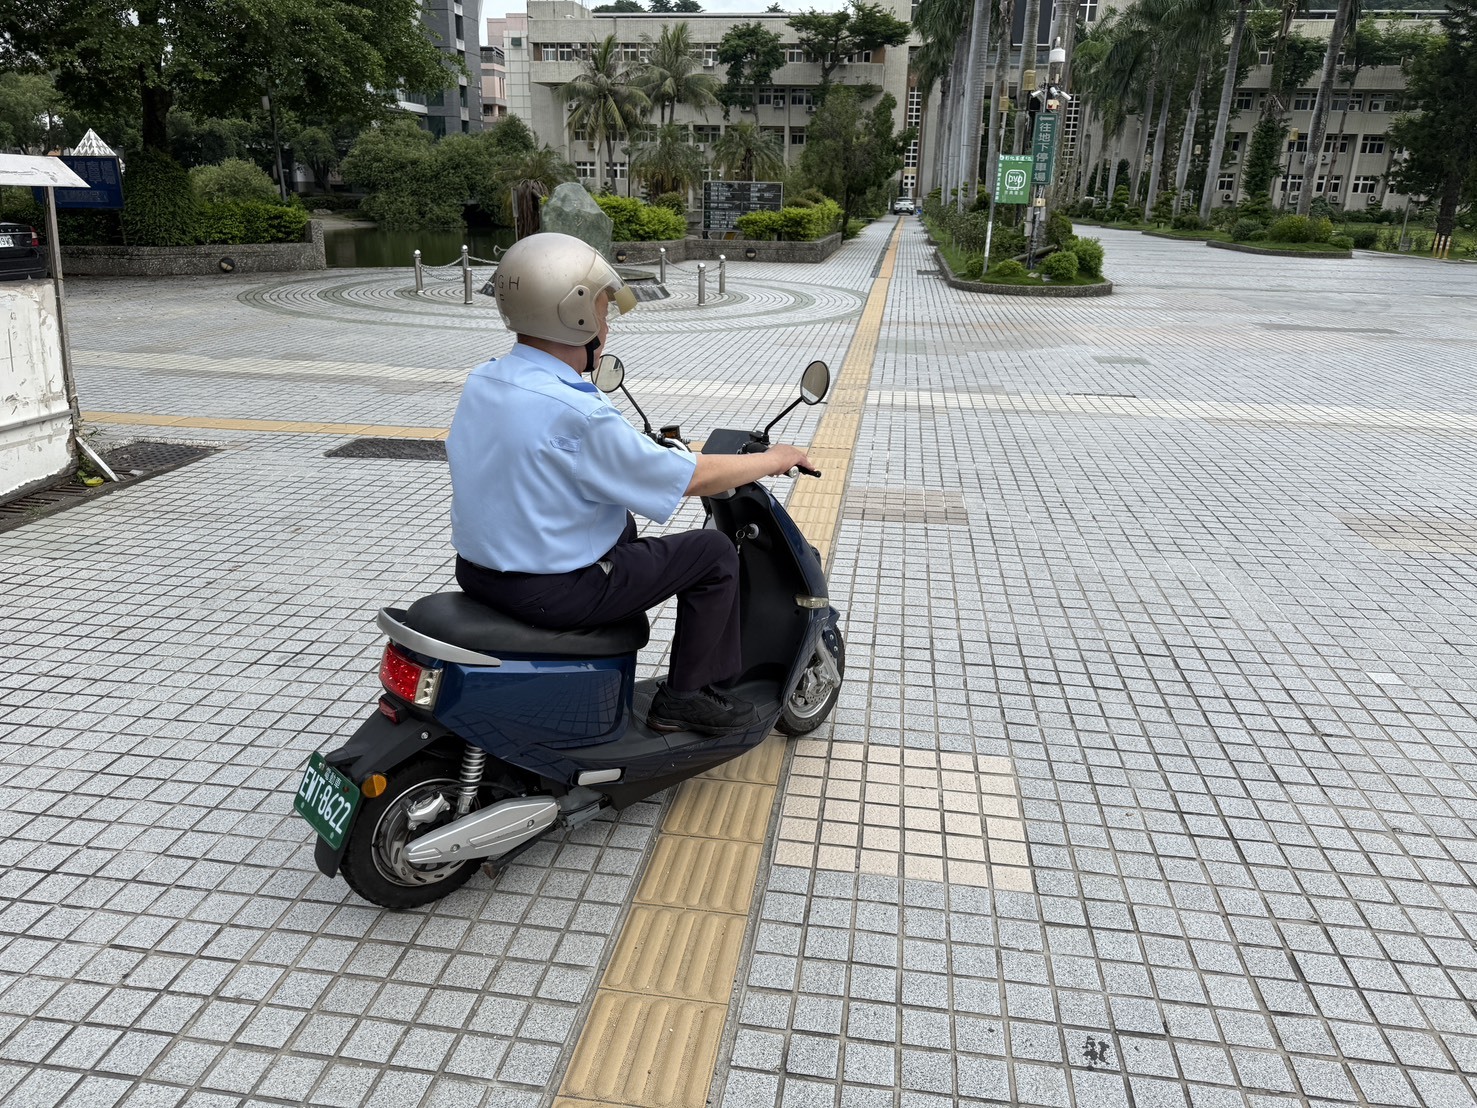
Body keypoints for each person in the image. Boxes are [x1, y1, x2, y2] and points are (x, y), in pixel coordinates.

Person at [446, 232, 813, 736]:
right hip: (551, 590)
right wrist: (773, 460)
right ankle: (685, 698)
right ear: (574, 314)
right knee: (712, 554)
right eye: (602, 310)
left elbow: (551, 458)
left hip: (479, 571)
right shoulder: (580, 412)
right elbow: (691, 479)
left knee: (622, 526)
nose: (607, 324)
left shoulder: (485, 378)